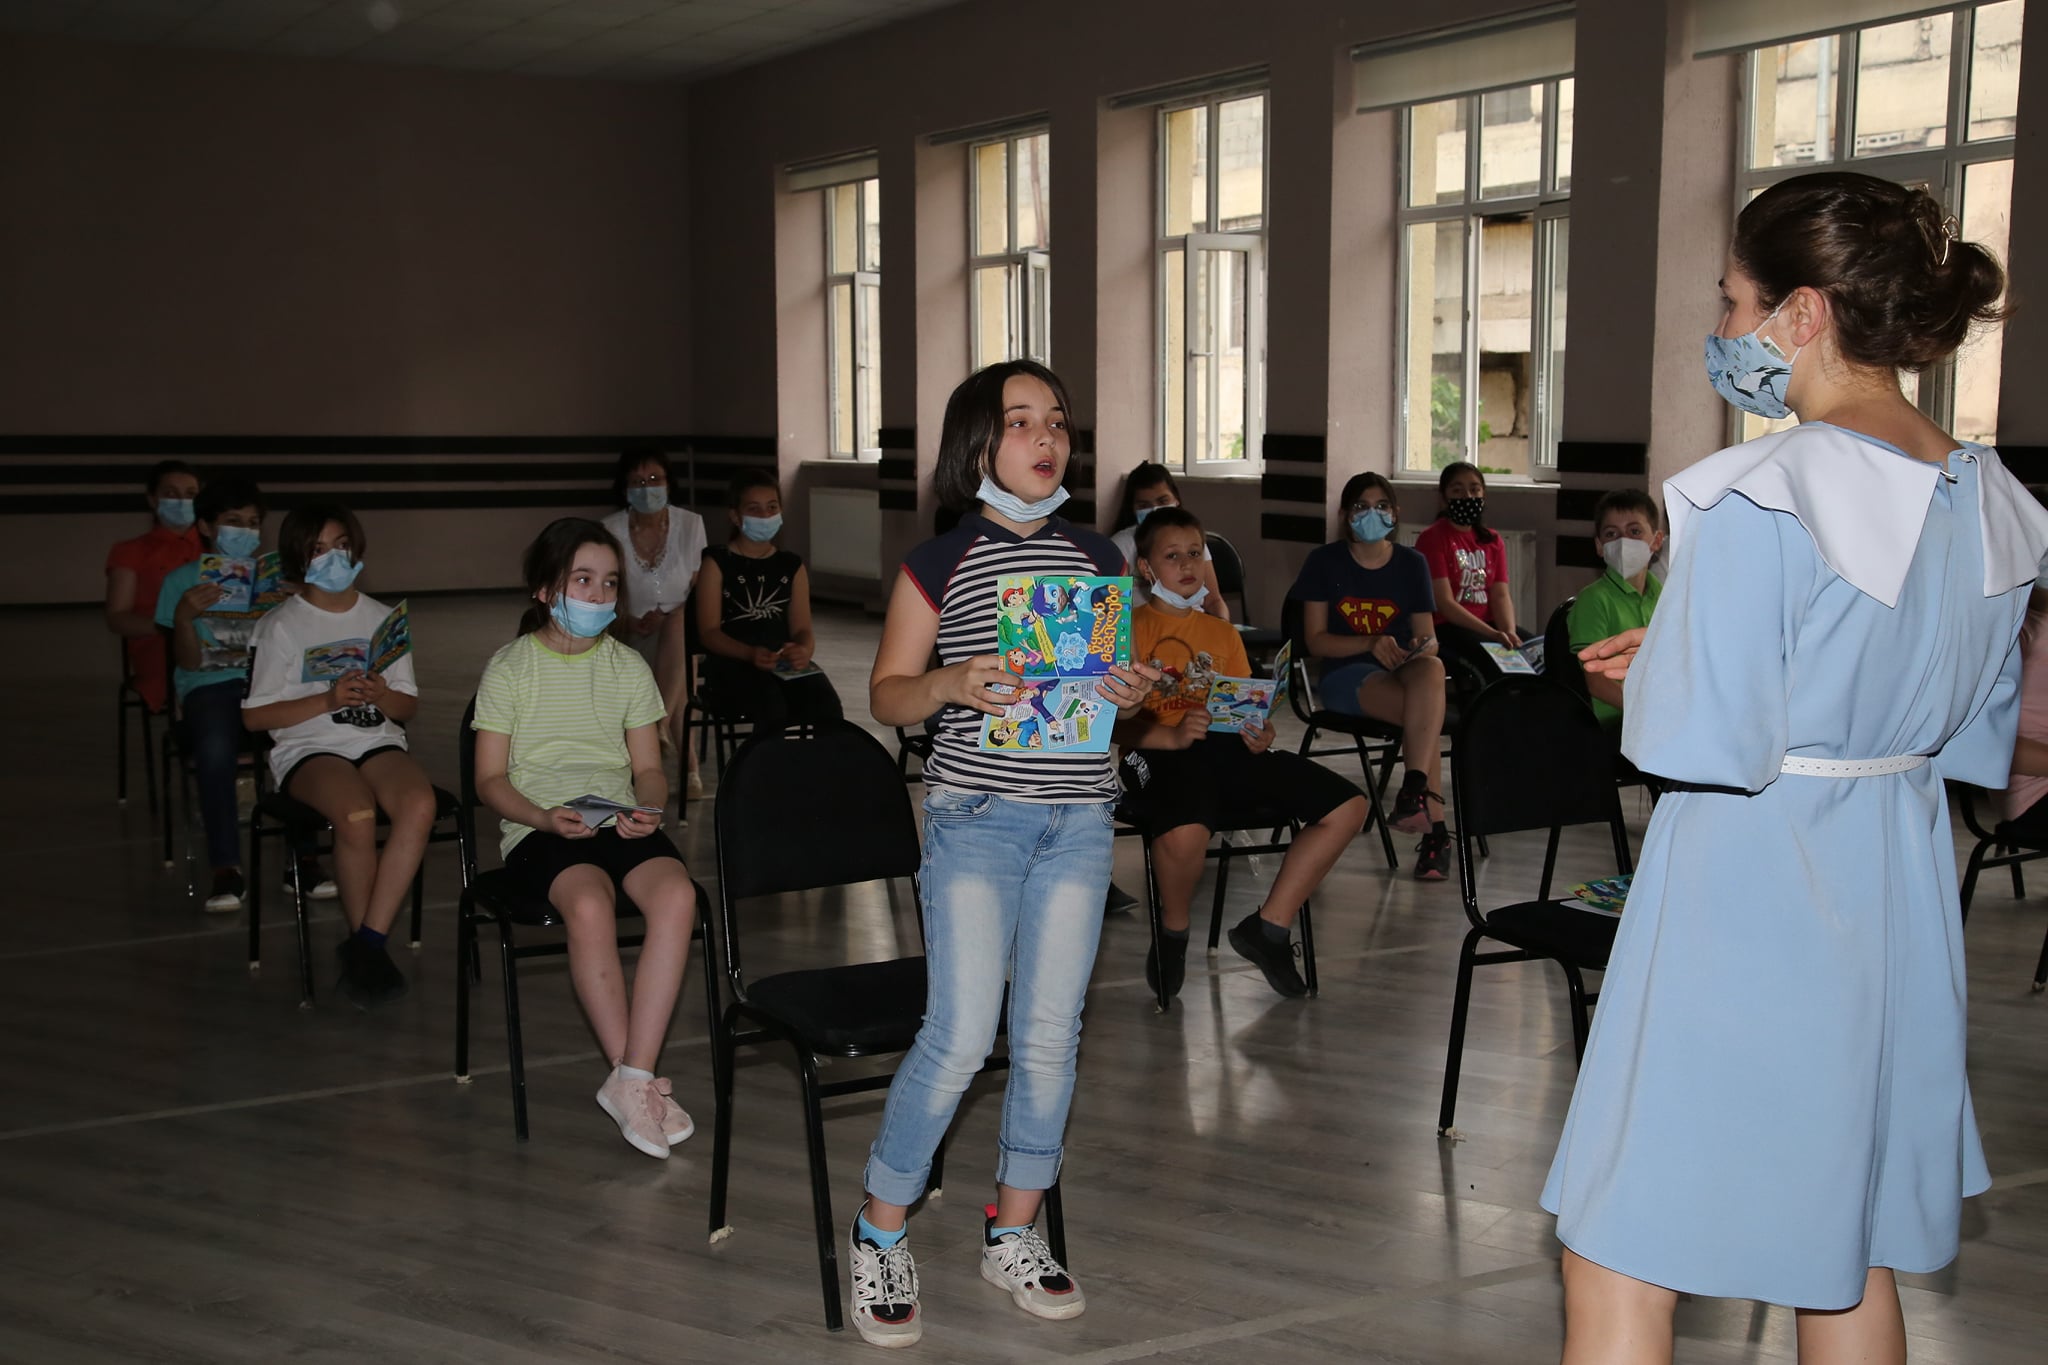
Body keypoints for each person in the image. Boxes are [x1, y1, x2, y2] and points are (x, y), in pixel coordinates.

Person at [1546, 171, 2048, 1364]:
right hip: (1892, 879)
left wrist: (1640, 679)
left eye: (1731, 301)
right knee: (1842, 1246)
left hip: (1748, 883)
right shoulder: (1992, 500)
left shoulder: (1765, 489)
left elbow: (1698, 740)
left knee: (1618, 1245)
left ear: (1802, 313)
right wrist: (1698, 652)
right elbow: (1956, 728)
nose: (1722, 328)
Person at [849, 360, 1158, 1348]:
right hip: (976, 820)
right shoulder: (939, 561)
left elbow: (1105, 694)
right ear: (975, 445)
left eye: (1056, 421)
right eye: (1020, 421)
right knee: (957, 1036)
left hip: (1079, 821)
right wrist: (949, 683)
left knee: (1050, 1037)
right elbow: (887, 693)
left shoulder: (1096, 557)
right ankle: (879, 1230)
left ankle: (1012, 1231)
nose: (1045, 437)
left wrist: (1128, 692)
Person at [473, 518, 698, 1159]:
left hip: (615, 817)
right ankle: (636, 1082)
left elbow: (649, 767)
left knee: (677, 896)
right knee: (591, 902)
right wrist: (543, 817)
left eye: (610, 583)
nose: (599, 595)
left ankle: (632, 1076)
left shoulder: (627, 667)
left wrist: (648, 805)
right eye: (583, 581)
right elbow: (489, 780)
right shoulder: (510, 668)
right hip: (538, 825)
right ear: (545, 589)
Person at [1118, 506, 1366, 998]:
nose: (1187, 565)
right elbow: (1113, 725)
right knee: (1187, 826)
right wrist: (1173, 735)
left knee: (1347, 806)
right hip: (1154, 751)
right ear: (1146, 568)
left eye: (1195, 554)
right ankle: (1173, 931)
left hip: (1224, 751)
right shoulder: (1129, 627)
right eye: (1172, 556)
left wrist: (1259, 732)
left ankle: (1269, 928)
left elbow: (1242, 707)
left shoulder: (1222, 632)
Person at [241, 503, 438, 1008]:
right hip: (309, 746)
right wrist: (328, 700)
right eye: (319, 550)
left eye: (342, 546)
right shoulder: (281, 625)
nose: (333, 558)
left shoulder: (381, 618)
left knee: (419, 804)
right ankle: (366, 942)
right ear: (298, 558)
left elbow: (407, 707)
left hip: (375, 739)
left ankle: (367, 942)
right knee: (355, 813)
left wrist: (380, 694)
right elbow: (255, 717)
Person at [1288, 473, 1451, 880]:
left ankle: (1413, 787)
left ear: (1395, 513)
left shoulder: (1412, 563)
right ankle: (1436, 829)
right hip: (1345, 674)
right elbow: (1315, 641)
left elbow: (1428, 637)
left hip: (1403, 669)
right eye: (1361, 506)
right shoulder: (1324, 562)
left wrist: (1419, 648)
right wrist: (1369, 642)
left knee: (1432, 669)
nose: (1372, 514)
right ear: (1345, 515)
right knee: (1425, 715)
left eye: (1382, 506)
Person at [154, 476, 270, 911]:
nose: (246, 531)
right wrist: (185, 617)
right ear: (205, 526)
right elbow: (187, 664)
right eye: (234, 521)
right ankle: (225, 866)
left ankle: (306, 859)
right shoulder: (180, 581)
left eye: (253, 523)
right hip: (210, 687)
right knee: (216, 748)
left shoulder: (272, 579)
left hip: (267, 687)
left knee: (305, 738)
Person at [694, 468, 843, 733]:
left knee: (826, 702)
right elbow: (709, 632)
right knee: (771, 705)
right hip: (732, 663)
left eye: (772, 507)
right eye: (754, 509)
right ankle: (769, 760)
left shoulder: (791, 566)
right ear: (735, 516)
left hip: (781, 662)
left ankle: (820, 759)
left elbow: (803, 629)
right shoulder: (716, 562)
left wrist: (803, 650)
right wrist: (749, 653)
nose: (765, 516)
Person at [600, 449, 707, 796]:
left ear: (668, 483)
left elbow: (699, 590)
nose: (646, 488)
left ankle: (656, 726)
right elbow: (605, 589)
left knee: (679, 623)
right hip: (626, 630)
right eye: (637, 481)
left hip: (680, 629)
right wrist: (629, 621)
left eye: (653, 479)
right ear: (624, 488)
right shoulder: (609, 529)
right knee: (680, 673)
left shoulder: (691, 525)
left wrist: (670, 616)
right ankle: (687, 764)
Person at [105, 460, 202, 715]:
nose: (182, 501)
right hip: (160, 646)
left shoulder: (216, 549)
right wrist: (172, 626)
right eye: (171, 493)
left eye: (191, 494)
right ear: (152, 499)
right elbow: (117, 618)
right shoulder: (130, 551)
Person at [1565, 489, 1665, 726]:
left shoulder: (1663, 595)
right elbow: (1596, 682)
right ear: (1599, 546)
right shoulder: (1593, 600)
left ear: (1656, 541)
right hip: (1616, 722)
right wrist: (1646, 716)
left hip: (1654, 712)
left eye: (1634, 531)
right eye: (1611, 534)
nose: (1623, 541)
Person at [1414, 462, 1521, 680]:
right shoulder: (1432, 538)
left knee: (1536, 653)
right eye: (1457, 490)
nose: (1467, 496)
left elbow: (1500, 595)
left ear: (1483, 494)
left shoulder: (1493, 540)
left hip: (1489, 626)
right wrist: (1493, 635)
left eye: (1474, 489)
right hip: (1448, 627)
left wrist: (1509, 632)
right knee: (1495, 666)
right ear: (1443, 498)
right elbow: (1445, 603)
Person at [1107, 462, 1228, 617]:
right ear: (1144, 567)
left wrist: (1223, 626)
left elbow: (1214, 600)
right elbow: (1112, 609)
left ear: (1176, 500)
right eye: (1144, 505)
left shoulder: (1192, 537)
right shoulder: (1120, 545)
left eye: (1162, 501)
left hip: (1196, 623)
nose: (1154, 509)